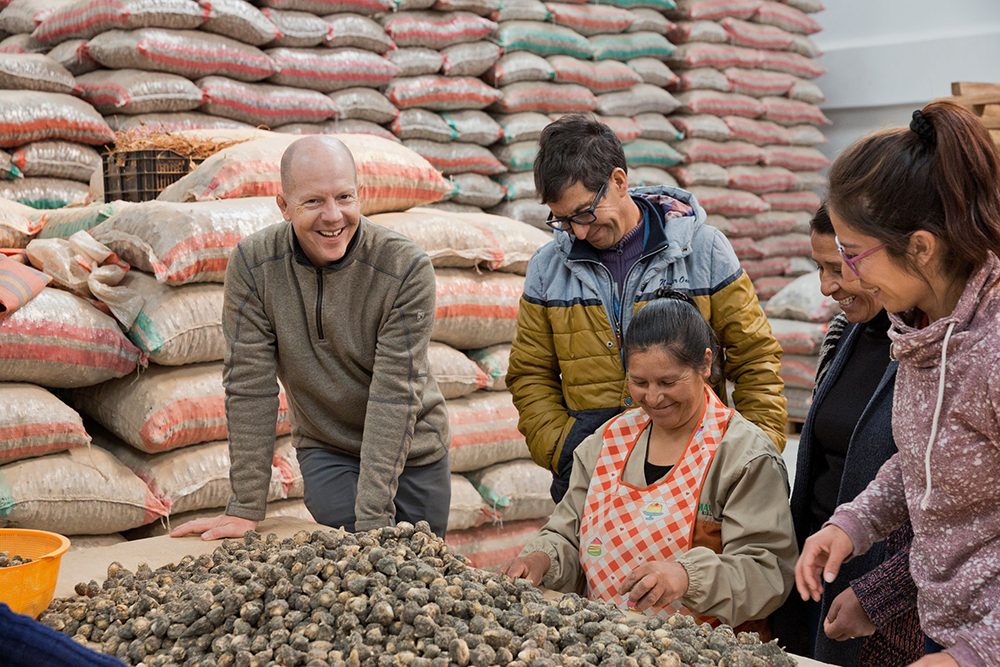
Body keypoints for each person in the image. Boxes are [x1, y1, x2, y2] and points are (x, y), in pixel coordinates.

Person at [795, 102, 1000, 667]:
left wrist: (976, 653)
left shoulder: (992, 349)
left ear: (921, 247)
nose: (845, 277)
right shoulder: (919, 331)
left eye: (852, 254)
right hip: (948, 631)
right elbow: (924, 459)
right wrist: (853, 523)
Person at [171, 136, 451, 541]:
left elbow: (396, 393)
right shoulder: (254, 266)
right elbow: (250, 386)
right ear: (283, 205)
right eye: (313, 202)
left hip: (415, 449)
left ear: (361, 195)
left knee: (419, 581)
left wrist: (375, 520)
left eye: (344, 197)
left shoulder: (404, 267)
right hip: (329, 447)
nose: (333, 216)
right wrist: (245, 507)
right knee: (346, 569)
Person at [507, 115, 786, 503]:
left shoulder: (703, 251)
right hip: (590, 469)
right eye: (565, 221)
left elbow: (755, 358)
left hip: (696, 463)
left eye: (586, 213)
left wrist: (757, 453)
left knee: (695, 566)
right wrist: (562, 446)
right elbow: (529, 373)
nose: (580, 232)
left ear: (619, 181)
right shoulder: (548, 267)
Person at [501, 291, 796, 633]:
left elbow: (768, 569)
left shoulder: (742, 455)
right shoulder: (607, 441)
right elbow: (567, 534)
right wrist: (541, 559)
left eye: (669, 382)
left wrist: (687, 577)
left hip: (704, 649)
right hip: (608, 643)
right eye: (639, 382)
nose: (653, 397)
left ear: (705, 363)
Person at [772, 205, 922, 666]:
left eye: (839, 267)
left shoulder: (930, 353)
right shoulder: (843, 335)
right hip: (823, 566)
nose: (826, 286)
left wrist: (881, 594)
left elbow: (946, 510)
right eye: (819, 268)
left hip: (891, 602)